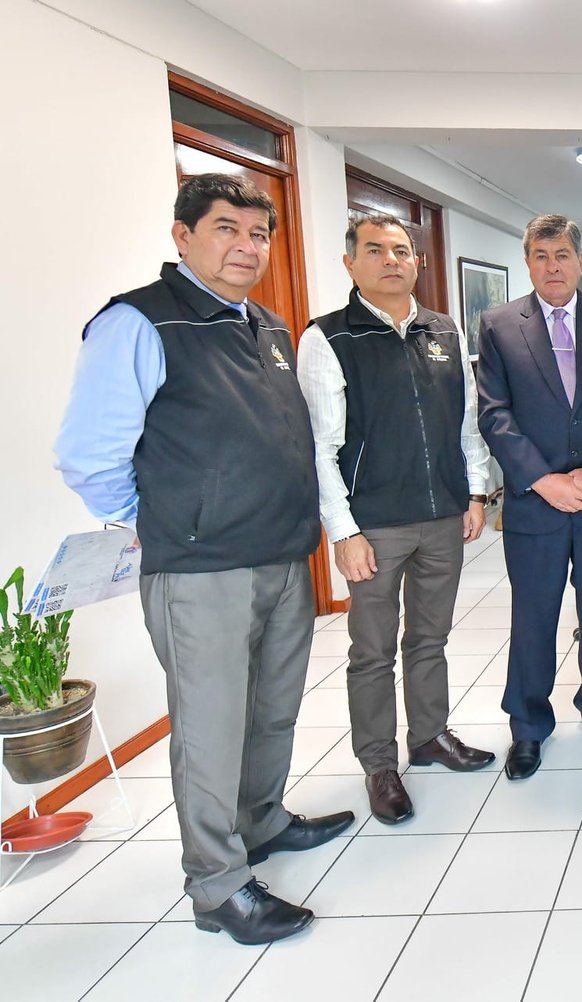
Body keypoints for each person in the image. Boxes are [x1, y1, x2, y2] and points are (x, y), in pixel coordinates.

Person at [54, 173, 353, 945]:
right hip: (200, 572)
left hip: (282, 556)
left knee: (273, 708)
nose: (246, 247)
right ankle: (218, 887)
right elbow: (89, 457)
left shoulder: (267, 327)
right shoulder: (139, 323)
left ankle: (261, 820)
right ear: (183, 235)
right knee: (211, 727)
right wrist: (162, 520)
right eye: (226, 229)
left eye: (258, 234)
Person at [297, 213, 496, 825]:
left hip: (442, 515)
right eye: (375, 250)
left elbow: (464, 422)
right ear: (350, 262)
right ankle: (379, 764)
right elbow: (319, 447)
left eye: (401, 250)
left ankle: (429, 736)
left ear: (417, 261)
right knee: (372, 650)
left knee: (430, 638)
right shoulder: (328, 338)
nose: (391, 260)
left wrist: (476, 493)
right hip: (374, 525)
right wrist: (343, 531)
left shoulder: (443, 330)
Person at [476, 213, 582, 780]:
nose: (553, 266)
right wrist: (543, 480)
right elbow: (494, 415)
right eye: (541, 256)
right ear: (528, 263)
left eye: (562, 255)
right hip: (534, 503)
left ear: (580, 261)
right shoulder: (499, 325)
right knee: (534, 615)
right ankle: (528, 725)